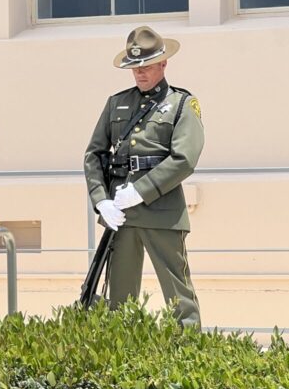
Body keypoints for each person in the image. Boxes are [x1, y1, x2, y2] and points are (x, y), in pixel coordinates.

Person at [84, 25, 204, 326]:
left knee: (179, 296)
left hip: (161, 212)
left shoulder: (181, 104)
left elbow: (185, 158)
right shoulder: (117, 103)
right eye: (134, 67)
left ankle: (189, 352)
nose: (140, 73)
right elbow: (94, 155)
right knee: (118, 300)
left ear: (164, 63)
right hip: (121, 215)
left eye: (147, 66)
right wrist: (101, 202)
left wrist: (141, 190)